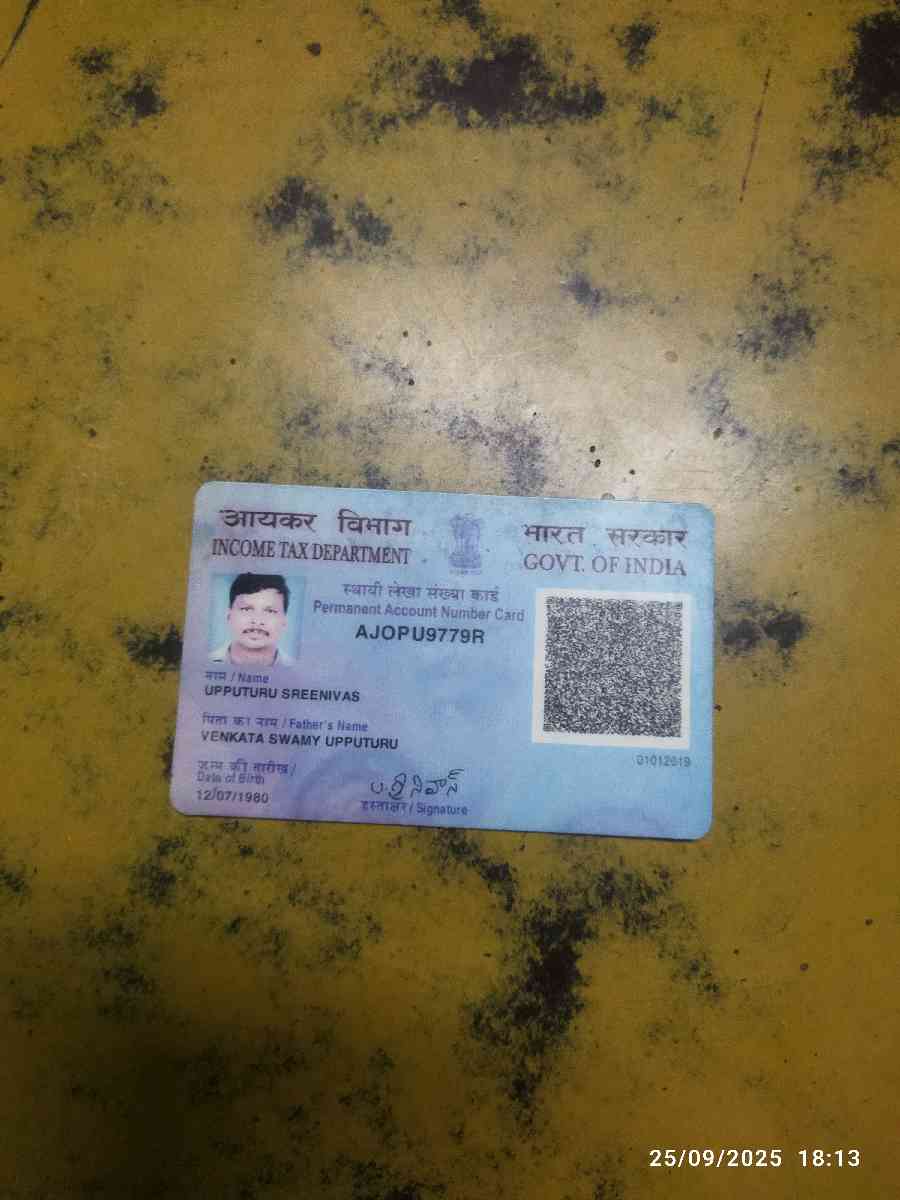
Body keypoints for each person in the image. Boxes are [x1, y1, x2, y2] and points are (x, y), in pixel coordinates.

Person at [210, 573, 295, 667]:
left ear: (284, 620)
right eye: (246, 609)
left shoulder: (297, 669)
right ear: (229, 615)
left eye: (270, 611)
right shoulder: (203, 663)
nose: (257, 621)